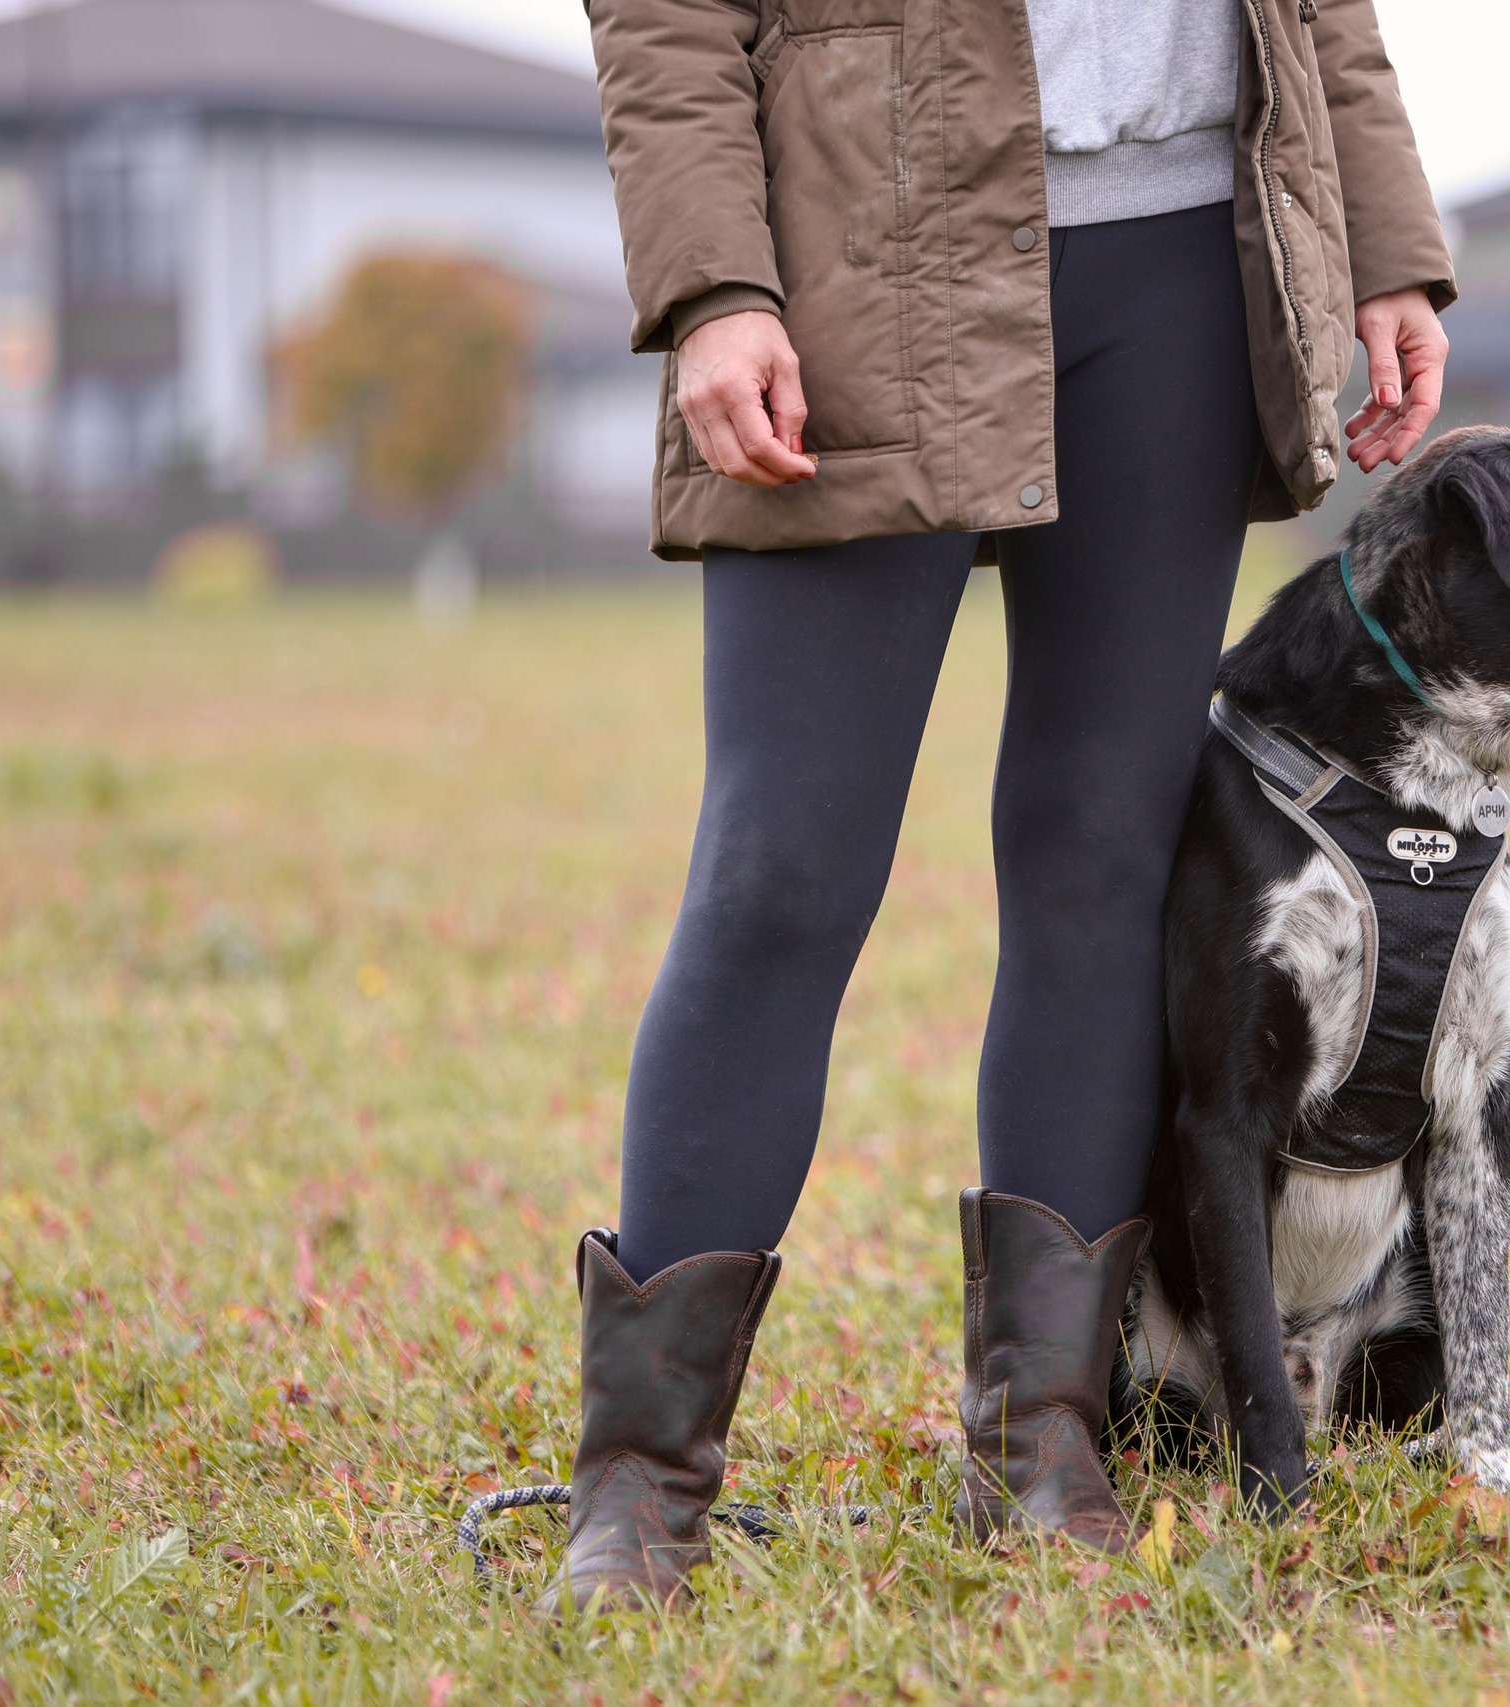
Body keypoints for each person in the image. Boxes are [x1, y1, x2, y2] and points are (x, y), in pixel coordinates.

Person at [539, 0, 1454, 1612]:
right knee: (782, 869)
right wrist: (713, 286)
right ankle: (641, 1488)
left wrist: (1384, 238)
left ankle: (1044, 1447)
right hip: (859, 252)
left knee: (1109, 854)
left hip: (1180, 257)